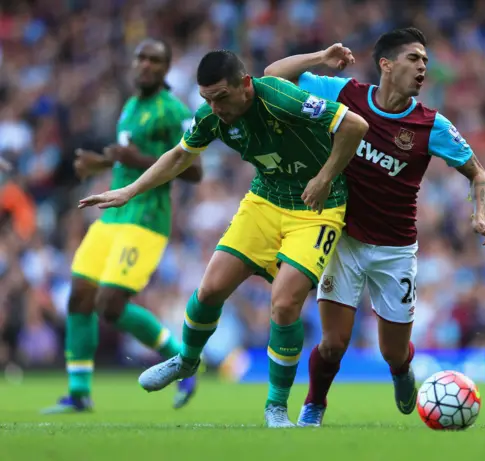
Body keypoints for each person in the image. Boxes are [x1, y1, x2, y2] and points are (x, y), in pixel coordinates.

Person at [78, 49, 369, 427]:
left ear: (245, 85)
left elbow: (354, 126)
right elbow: (180, 156)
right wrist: (128, 191)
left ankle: (276, 407)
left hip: (318, 207)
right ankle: (186, 360)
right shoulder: (211, 117)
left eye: (221, 97)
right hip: (265, 200)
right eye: (207, 99)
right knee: (211, 289)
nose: (214, 107)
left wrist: (325, 176)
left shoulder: (281, 98)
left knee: (283, 305)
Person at [264, 27, 485, 426]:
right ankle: (314, 405)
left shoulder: (431, 125)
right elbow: (273, 75)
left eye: (426, 60)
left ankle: (401, 371)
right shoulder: (345, 94)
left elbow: (479, 175)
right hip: (344, 239)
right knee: (334, 343)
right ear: (386, 65)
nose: (423, 66)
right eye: (414, 58)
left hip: (395, 248)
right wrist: (321, 56)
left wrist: (480, 215)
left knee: (393, 351)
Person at [42, 38, 203, 414]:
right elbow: (125, 162)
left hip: (146, 219)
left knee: (110, 304)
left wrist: (137, 156)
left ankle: (182, 358)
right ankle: (79, 392)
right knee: (79, 296)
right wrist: (98, 165)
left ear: (165, 69)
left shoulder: (172, 110)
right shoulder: (130, 107)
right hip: (113, 213)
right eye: (141, 58)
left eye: (154, 60)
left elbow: (194, 170)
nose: (145, 65)